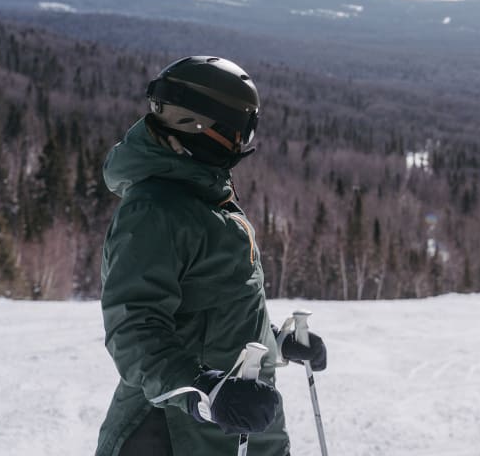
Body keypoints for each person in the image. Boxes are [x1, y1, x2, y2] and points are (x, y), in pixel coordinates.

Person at [95, 56, 327, 456]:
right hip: (173, 435)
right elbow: (133, 330)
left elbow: (215, 308)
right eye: (241, 128)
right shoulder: (155, 211)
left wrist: (275, 342)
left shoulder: (206, 193)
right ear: (202, 126)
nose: (244, 141)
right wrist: (205, 387)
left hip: (238, 429)